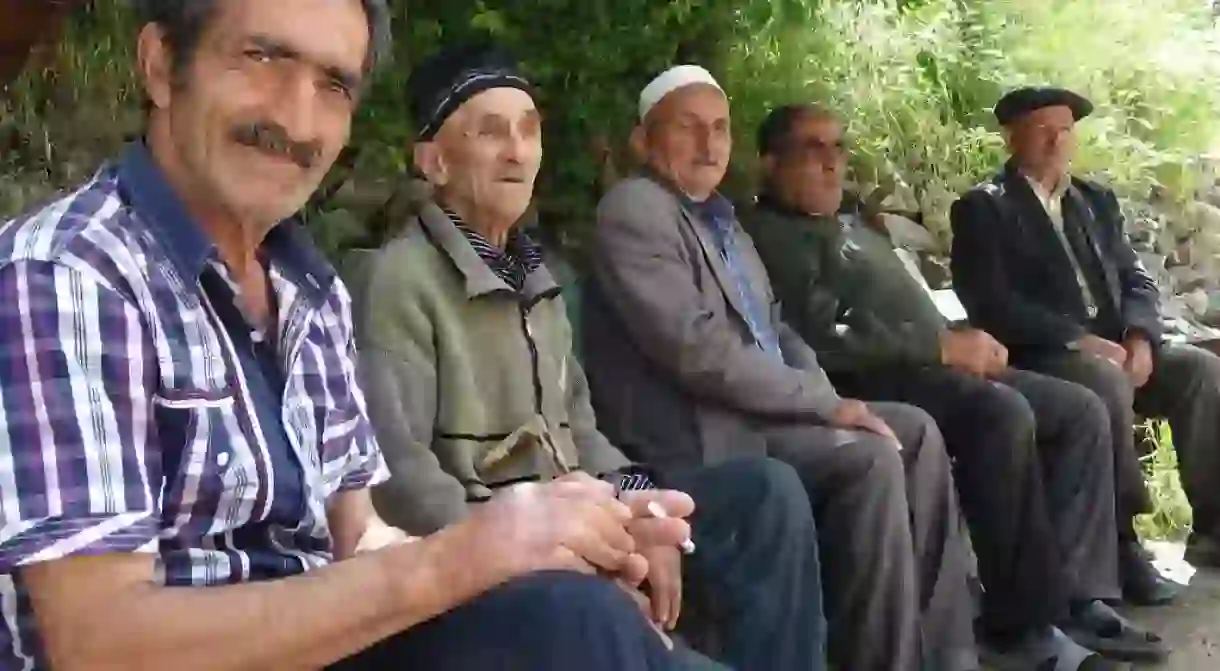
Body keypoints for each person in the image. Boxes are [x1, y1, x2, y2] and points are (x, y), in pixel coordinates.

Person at [0, 2, 706, 669]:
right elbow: (99, 643)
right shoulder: (70, 273)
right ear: (160, 66)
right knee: (573, 623)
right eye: (261, 56)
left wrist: (574, 535)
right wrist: (466, 552)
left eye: (334, 84)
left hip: (335, 645)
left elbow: (358, 535)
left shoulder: (309, 290)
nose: (297, 119)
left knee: (591, 609)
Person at [349, 43, 824, 671]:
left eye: (528, 130)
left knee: (764, 494)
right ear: (434, 162)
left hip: (575, 522)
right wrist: (573, 547)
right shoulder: (397, 281)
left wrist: (640, 507)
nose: (518, 152)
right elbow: (402, 481)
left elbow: (582, 433)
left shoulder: (537, 281)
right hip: (488, 553)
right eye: (491, 133)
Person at [743, 102, 1169, 667]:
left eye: (838, 148)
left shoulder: (845, 221)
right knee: (1003, 415)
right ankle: (1021, 626)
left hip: (936, 358)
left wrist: (959, 338)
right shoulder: (772, 236)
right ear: (770, 164)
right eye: (811, 149)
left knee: (1077, 409)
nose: (831, 163)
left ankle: (1076, 597)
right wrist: (940, 347)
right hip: (873, 379)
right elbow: (824, 338)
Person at [581, 64, 977, 671]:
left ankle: (946, 659)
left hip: (766, 415)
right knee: (866, 458)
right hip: (703, 433)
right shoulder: (635, 209)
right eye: (689, 129)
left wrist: (826, 396)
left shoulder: (721, 220)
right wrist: (822, 406)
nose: (710, 144)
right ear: (643, 141)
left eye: (720, 128)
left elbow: (777, 326)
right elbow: (697, 349)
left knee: (912, 432)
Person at [951, 86, 1220, 574]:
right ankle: (1122, 542)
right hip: (1044, 353)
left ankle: (1214, 529)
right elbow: (991, 302)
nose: (1056, 143)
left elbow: (1135, 275)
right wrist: (1079, 339)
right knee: (1103, 378)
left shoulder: (1094, 199)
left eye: (1065, 131)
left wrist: (1140, 335)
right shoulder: (983, 207)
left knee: (1199, 370)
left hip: (1118, 344)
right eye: (1041, 132)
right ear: (1011, 138)